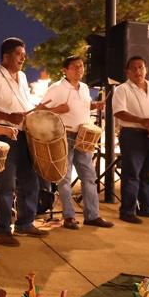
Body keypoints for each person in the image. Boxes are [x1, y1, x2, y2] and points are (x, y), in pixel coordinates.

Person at [0, 38, 46, 244]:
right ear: (6, 57)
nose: (23, 58)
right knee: (6, 184)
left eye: (23, 54)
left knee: (30, 180)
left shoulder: (22, 77)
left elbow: (25, 104)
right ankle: (1, 229)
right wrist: (10, 117)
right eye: (19, 54)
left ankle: (24, 223)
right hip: (3, 135)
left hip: (22, 135)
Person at [43, 55, 113, 230]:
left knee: (89, 177)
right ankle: (69, 217)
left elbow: (83, 106)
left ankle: (92, 215)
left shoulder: (84, 88)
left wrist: (95, 105)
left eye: (81, 66)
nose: (79, 70)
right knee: (64, 178)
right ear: (64, 70)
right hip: (63, 136)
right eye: (75, 67)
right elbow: (40, 110)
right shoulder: (56, 88)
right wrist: (57, 110)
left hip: (83, 136)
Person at [112, 56, 149, 223]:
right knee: (131, 175)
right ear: (128, 71)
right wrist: (141, 120)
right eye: (134, 68)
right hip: (132, 135)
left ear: (146, 69)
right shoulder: (122, 89)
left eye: (141, 67)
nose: (138, 71)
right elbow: (118, 112)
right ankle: (127, 211)